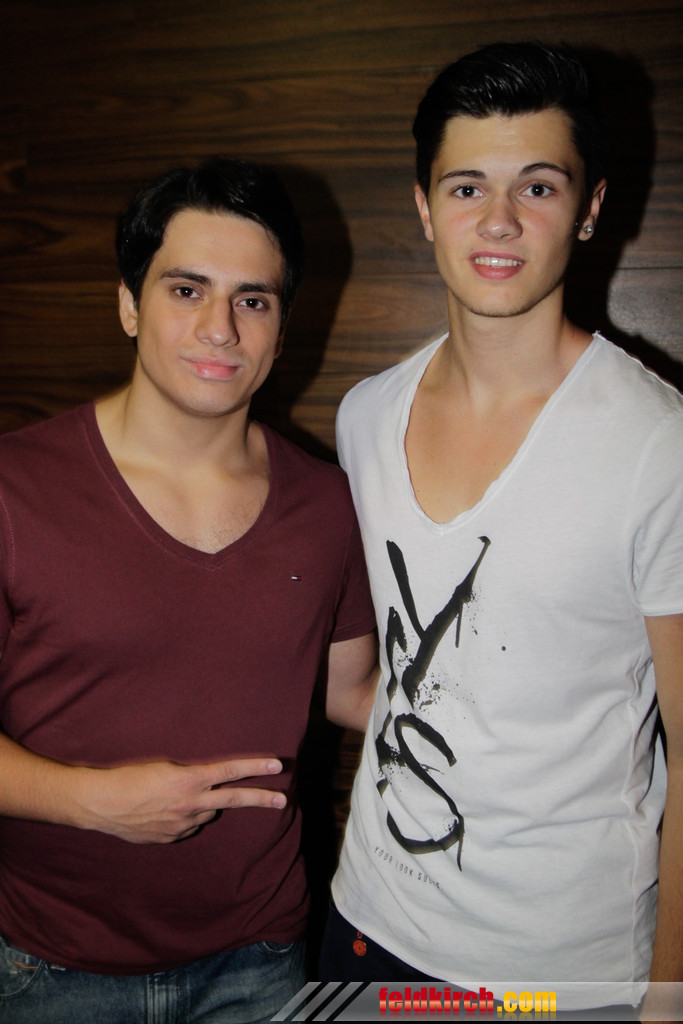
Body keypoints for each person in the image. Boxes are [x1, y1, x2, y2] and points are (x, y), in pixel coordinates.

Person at [320, 42, 683, 1013]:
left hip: (551, 974)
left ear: (590, 207)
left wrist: (668, 997)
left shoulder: (656, 447)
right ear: (423, 205)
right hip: (367, 923)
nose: (497, 220)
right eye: (466, 186)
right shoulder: (365, 416)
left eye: (537, 186)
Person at [0, 157, 378, 1024]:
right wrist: (94, 803)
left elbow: (353, 691)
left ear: (282, 328)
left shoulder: (327, 503)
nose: (220, 329)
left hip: (261, 961)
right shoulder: (15, 488)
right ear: (129, 305)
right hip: (50, 967)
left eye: (253, 300)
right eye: (185, 290)